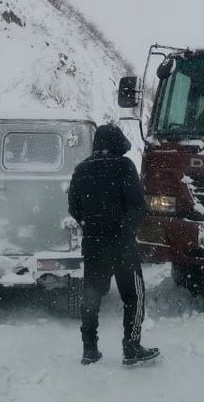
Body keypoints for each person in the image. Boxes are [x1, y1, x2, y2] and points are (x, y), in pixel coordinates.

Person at [67, 123, 159, 366]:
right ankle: (131, 347)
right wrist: (126, 230)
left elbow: (74, 208)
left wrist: (91, 226)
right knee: (134, 295)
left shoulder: (81, 170)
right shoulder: (124, 166)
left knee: (91, 295)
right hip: (122, 244)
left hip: (93, 243)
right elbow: (139, 206)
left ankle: (89, 349)